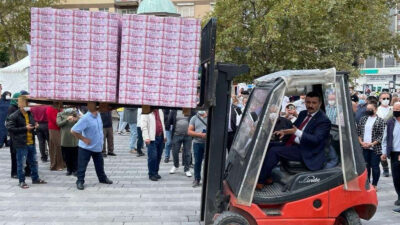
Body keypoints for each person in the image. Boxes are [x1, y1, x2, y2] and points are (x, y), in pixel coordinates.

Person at [257, 92, 331, 188]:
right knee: (268, 145)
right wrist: (284, 132)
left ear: (320, 104)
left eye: (314, 103)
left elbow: (316, 139)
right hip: (294, 144)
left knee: (274, 151)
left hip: (307, 150)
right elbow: (293, 128)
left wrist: (296, 132)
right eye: (308, 102)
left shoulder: (323, 120)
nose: (310, 105)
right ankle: (267, 176)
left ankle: (260, 181)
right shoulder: (304, 113)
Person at [6, 96, 47, 188]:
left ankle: (35, 178)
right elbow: (10, 128)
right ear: (20, 105)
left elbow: (32, 123)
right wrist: (25, 128)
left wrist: (35, 125)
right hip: (21, 143)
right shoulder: (14, 115)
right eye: (26, 104)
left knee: (34, 162)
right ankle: (21, 181)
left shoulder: (29, 113)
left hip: (31, 142)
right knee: (21, 163)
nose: (28, 106)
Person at [71, 102, 113, 190]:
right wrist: (83, 139)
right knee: (82, 166)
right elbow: (73, 130)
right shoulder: (85, 118)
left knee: (100, 165)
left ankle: (102, 178)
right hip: (85, 148)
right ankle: (80, 181)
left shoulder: (98, 115)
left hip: (97, 147)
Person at [357, 101, 385, 190]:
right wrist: (361, 142)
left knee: (375, 166)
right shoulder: (363, 119)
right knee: (366, 166)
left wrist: (372, 144)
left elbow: (381, 135)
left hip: (375, 148)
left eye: (370, 109)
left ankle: (375, 184)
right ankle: (367, 183)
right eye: (367, 109)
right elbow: (359, 132)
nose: (368, 110)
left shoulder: (380, 121)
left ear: (375, 110)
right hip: (364, 147)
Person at [381, 102, 400, 212]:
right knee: (396, 178)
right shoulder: (390, 122)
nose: (397, 110)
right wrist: (384, 152)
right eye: (395, 109)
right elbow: (385, 139)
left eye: (399, 108)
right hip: (394, 153)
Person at [8, 92, 30, 178]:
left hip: (20, 136)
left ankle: (25, 171)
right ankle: (14, 173)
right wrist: (24, 127)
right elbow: (11, 126)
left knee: (21, 155)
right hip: (15, 137)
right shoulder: (12, 109)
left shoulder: (18, 108)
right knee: (15, 156)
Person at [141, 108, 166, 181]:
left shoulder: (160, 110)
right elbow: (143, 126)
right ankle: (151, 174)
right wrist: (146, 137)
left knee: (158, 156)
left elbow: (162, 123)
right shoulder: (146, 111)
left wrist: (164, 136)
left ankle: (156, 172)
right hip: (152, 138)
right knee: (153, 157)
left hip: (160, 136)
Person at [168, 110, 194, 177]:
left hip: (188, 135)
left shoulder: (190, 110)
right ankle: (176, 165)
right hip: (177, 134)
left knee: (187, 153)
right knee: (175, 151)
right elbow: (169, 120)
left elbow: (194, 119)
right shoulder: (174, 111)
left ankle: (187, 169)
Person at [188, 110, 208, 187]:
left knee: (208, 162)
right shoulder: (194, 118)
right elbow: (189, 131)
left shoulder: (211, 117)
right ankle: (197, 178)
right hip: (197, 143)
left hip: (208, 143)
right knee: (197, 162)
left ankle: (207, 179)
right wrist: (198, 134)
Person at [57, 108, 79, 176]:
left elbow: (80, 122)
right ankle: (69, 169)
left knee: (75, 156)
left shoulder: (75, 114)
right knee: (66, 156)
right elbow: (59, 124)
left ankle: (75, 170)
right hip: (65, 138)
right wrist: (66, 119)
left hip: (74, 138)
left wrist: (76, 119)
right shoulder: (60, 114)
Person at [377, 92, 392, 177]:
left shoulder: (392, 109)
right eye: (384, 98)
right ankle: (385, 168)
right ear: (380, 100)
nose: (386, 100)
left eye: (387, 98)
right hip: (380, 133)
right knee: (382, 152)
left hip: (391, 133)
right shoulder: (377, 110)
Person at [46, 103, 65, 171]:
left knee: (60, 146)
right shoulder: (50, 108)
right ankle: (56, 164)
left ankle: (61, 163)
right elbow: (55, 120)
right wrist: (65, 120)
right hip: (53, 129)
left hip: (60, 129)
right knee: (57, 146)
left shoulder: (60, 108)